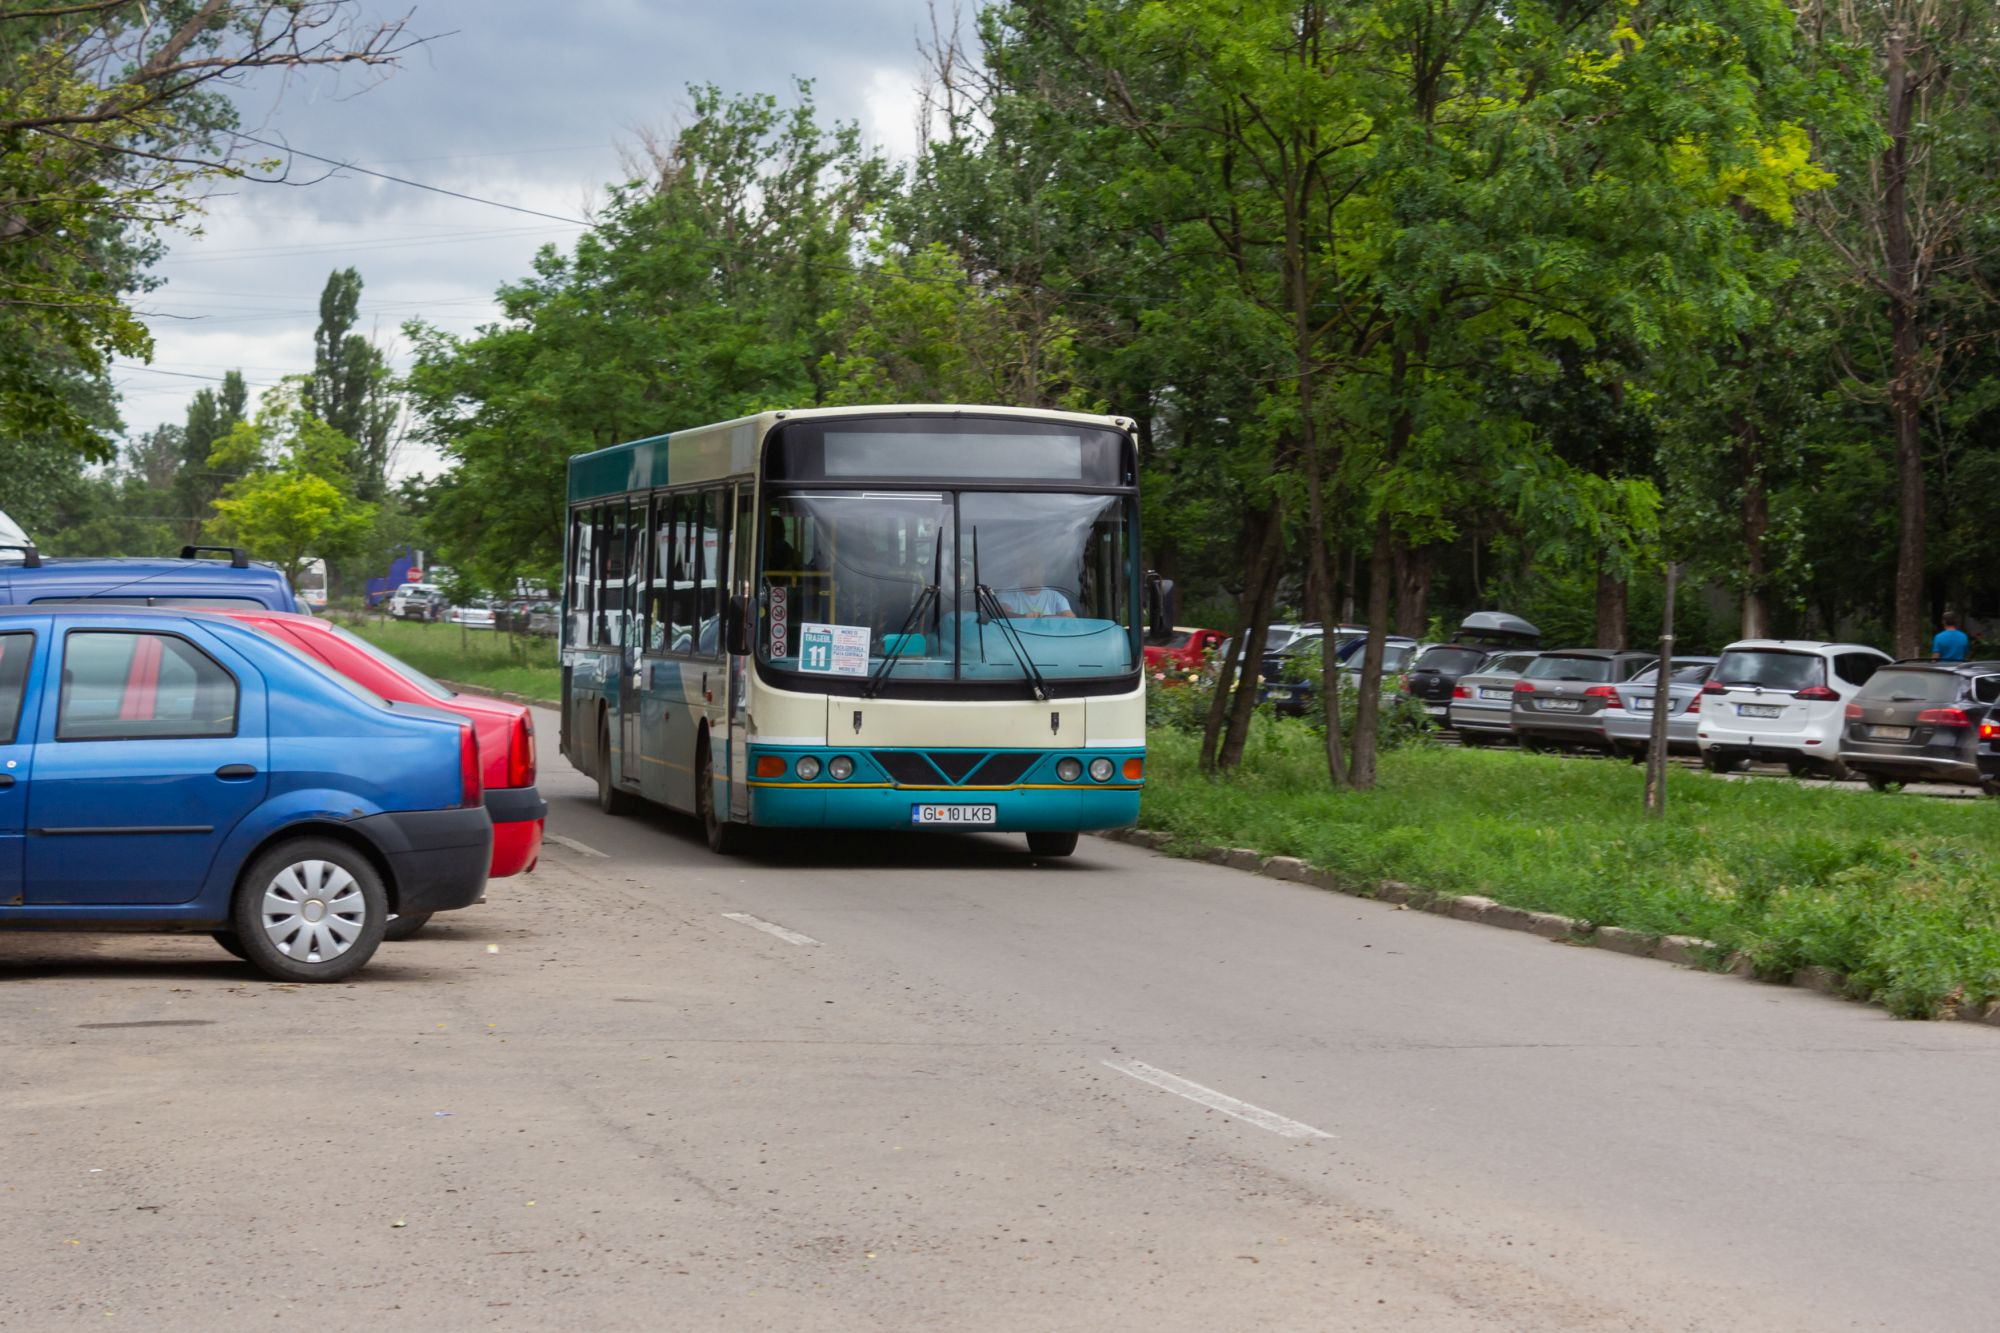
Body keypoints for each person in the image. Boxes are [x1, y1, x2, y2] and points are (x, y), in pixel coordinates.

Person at [995, 578, 1074, 619]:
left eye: (1037, 567)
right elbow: (1002, 612)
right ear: (1020, 571)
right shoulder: (1009, 593)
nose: (1032, 572)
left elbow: (1071, 620)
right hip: (1016, 643)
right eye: (1028, 567)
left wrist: (1066, 618)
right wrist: (1023, 617)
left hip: (1050, 643)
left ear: (1043, 571)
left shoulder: (1055, 597)